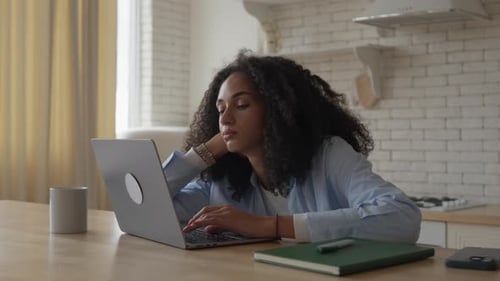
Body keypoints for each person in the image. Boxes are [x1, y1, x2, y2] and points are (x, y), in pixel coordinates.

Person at [162, 50, 421, 243]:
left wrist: (269, 226)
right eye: (220, 110)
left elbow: (402, 216)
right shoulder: (225, 179)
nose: (225, 119)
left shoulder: (329, 155)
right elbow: (154, 210)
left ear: (278, 111)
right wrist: (206, 152)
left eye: (241, 106)